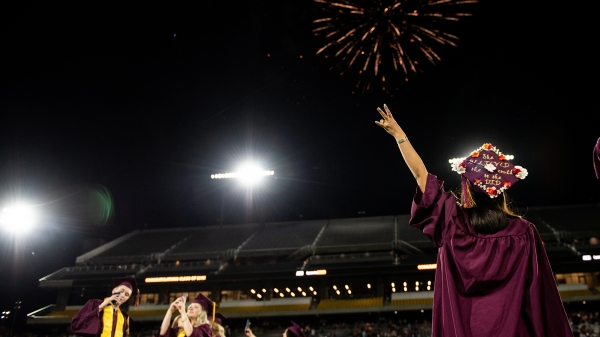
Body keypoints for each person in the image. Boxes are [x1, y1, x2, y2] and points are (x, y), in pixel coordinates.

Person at [375, 104, 573, 337]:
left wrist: (400, 135)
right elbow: (540, 295)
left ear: (466, 187)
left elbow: (421, 175)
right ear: (501, 190)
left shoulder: (451, 221)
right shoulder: (523, 232)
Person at [70, 276, 140, 336]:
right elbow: (76, 326)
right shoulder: (94, 304)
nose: (122, 295)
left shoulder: (124, 317)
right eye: (121, 291)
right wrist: (101, 307)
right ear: (114, 290)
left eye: (127, 295)